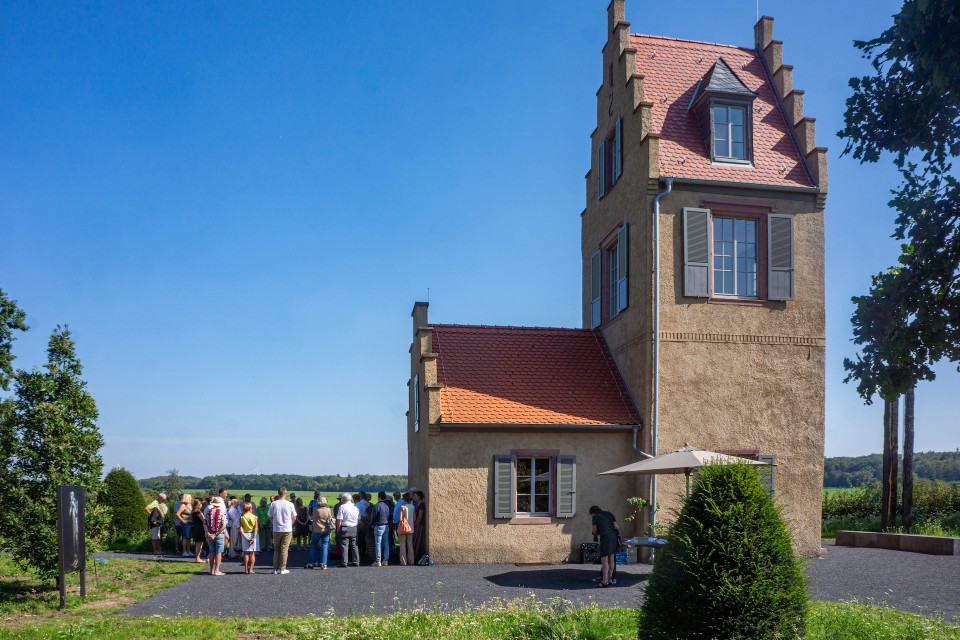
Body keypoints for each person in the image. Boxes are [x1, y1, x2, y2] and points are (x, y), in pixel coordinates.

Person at [268, 487, 298, 575]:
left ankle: (275, 568)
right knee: (284, 549)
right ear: (286, 494)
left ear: (278, 493)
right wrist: (290, 524)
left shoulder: (273, 504)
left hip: (276, 529)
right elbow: (294, 517)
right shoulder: (289, 504)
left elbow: (270, 517)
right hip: (287, 529)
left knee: (276, 549)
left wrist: (274, 523)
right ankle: (282, 568)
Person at [589, 505, 620, 587]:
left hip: (605, 538)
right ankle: (610, 579)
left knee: (604, 560)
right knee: (611, 558)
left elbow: (594, 530)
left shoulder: (595, 516)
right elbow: (616, 526)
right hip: (614, 537)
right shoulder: (609, 514)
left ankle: (604, 581)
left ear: (593, 512)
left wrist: (596, 533)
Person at [307, 496, 333, 569]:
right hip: (326, 529)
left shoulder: (315, 510)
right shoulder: (328, 510)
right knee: (324, 546)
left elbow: (312, 518)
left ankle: (312, 562)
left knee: (313, 545)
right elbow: (330, 518)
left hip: (317, 529)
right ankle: (323, 563)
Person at [204, 496, 227, 576]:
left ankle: (211, 570)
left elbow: (205, 524)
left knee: (211, 552)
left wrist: (208, 533)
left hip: (210, 534)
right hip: (219, 534)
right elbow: (223, 525)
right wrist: (216, 534)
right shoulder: (221, 512)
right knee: (218, 552)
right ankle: (217, 570)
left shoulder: (208, 512)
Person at [336, 493, 360, 567]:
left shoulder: (342, 507)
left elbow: (339, 520)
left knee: (344, 545)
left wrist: (338, 529)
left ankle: (344, 562)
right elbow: (359, 518)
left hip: (345, 527)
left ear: (344, 499)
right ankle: (356, 561)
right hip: (354, 527)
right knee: (354, 545)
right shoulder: (356, 507)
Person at [370, 491, 392, 567]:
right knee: (386, 543)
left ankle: (378, 560)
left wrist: (372, 524)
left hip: (379, 525)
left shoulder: (376, 505)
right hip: (386, 525)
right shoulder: (387, 506)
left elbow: (373, 517)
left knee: (378, 544)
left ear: (378, 497)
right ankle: (385, 560)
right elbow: (389, 515)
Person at [239, 502, 259, 574]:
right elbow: (256, 528)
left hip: (245, 534)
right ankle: (251, 569)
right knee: (252, 553)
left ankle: (246, 570)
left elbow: (241, 528)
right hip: (253, 534)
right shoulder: (254, 517)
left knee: (246, 553)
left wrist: (245, 537)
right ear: (250, 509)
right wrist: (254, 537)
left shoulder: (242, 517)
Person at [397, 494, 415, 565]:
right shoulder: (413, 507)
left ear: (404, 499)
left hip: (403, 528)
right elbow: (414, 518)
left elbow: (400, 519)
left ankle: (403, 561)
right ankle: (411, 561)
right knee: (410, 545)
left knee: (402, 545)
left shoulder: (402, 507)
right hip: (411, 528)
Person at [412, 490, 427, 563]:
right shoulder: (417, 504)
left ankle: (416, 558)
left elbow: (420, 516)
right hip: (418, 524)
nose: (414, 497)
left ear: (419, 496)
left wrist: (415, 524)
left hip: (420, 525)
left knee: (418, 541)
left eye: (415, 496)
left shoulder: (422, 504)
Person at [191, 498, 206, 563]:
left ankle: (197, 557)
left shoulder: (193, 511)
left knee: (198, 543)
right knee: (200, 543)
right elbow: (204, 520)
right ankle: (197, 558)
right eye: (200, 504)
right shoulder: (198, 512)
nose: (201, 505)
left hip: (195, 527)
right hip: (200, 528)